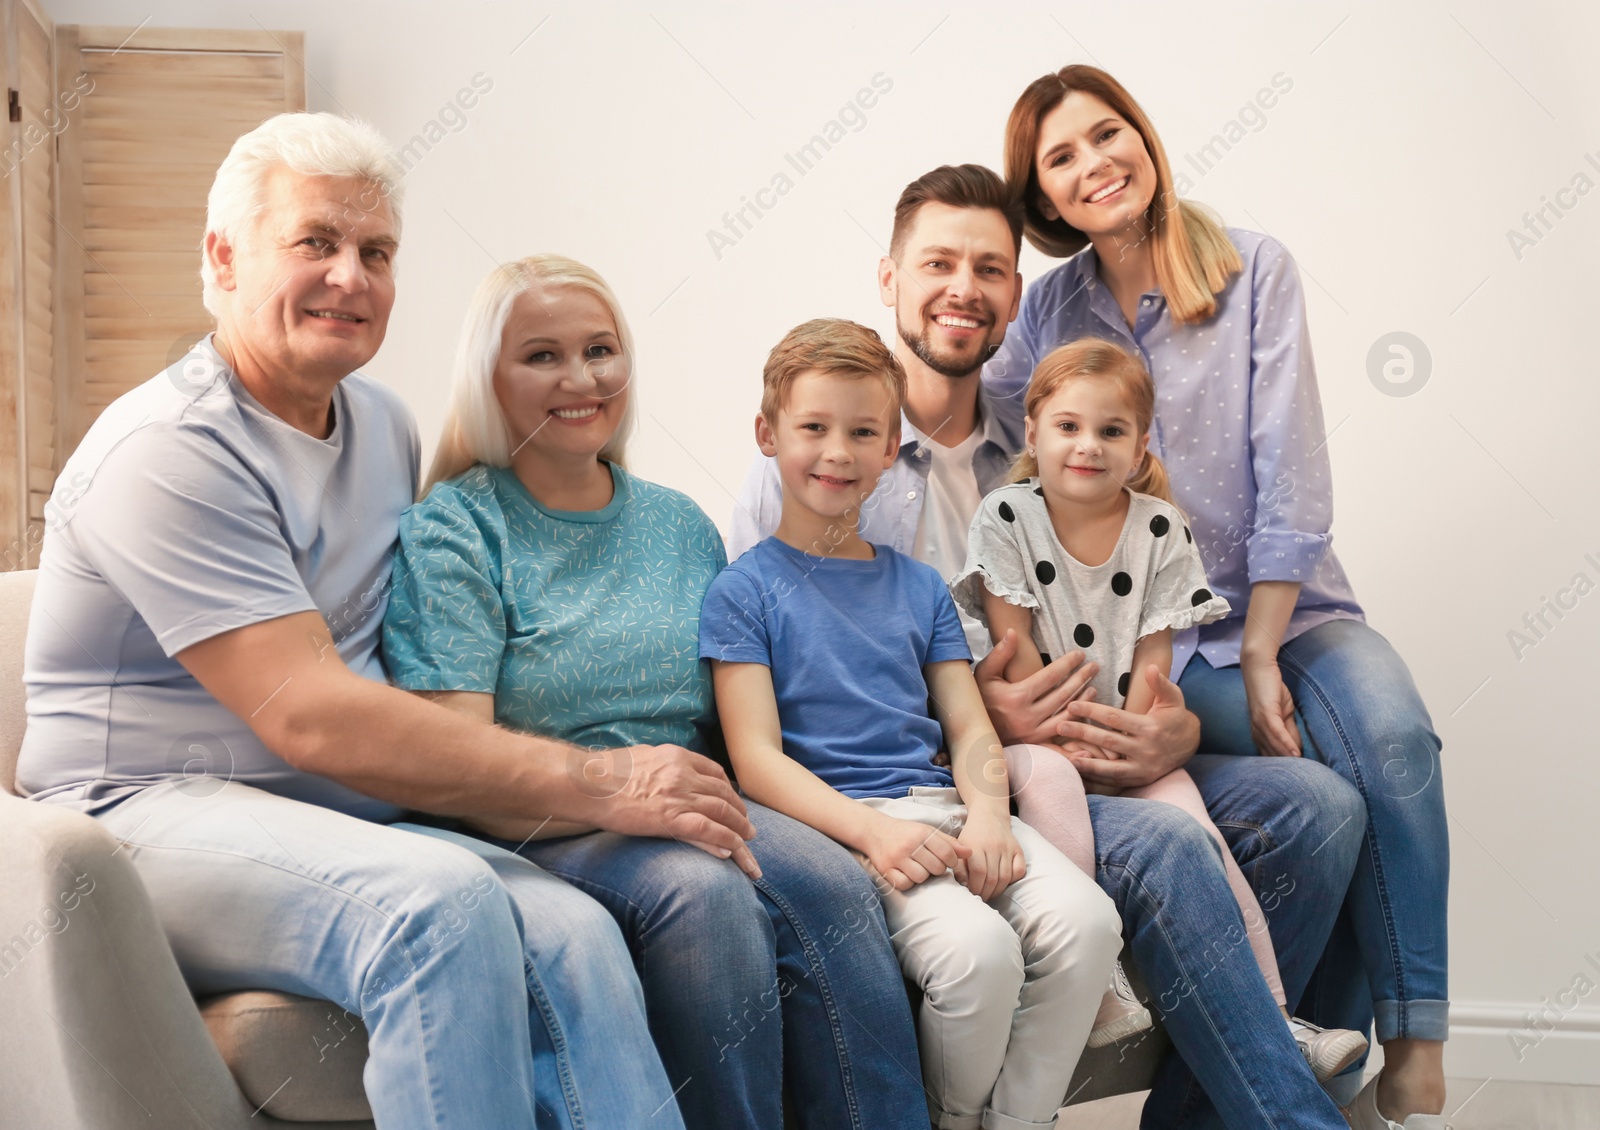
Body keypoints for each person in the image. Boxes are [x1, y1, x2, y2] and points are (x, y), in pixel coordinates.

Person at [13, 112, 751, 1129]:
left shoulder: (380, 423)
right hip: (141, 811)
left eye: (375, 251)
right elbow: (311, 716)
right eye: (313, 242)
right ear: (224, 259)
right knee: (434, 915)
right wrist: (600, 778)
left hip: (348, 815)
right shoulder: (169, 446)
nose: (349, 277)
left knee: (574, 930)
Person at [731, 163, 1369, 1129]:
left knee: (1319, 807)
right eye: (937, 262)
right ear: (889, 277)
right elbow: (792, 665)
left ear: (1015, 296)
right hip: (960, 770)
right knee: (1160, 844)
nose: (963, 288)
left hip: (1092, 746)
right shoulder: (820, 462)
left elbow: (1145, 611)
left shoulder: (1054, 436)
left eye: (989, 268)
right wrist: (987, 727)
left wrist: (1173, 728)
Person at [988, 65, 1449, 1130]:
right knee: (1323, 796)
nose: (1095, 163)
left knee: (1390, 740)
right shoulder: (1048, 313)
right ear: (1044, 202)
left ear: (1143, 140)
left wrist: (1260, 649)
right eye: (1060, 158)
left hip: (1288, 610)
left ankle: (1413, 1035)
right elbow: (978, 409)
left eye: (1109, 135)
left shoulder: (1250, 266)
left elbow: (1290, 466)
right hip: (1158, 641)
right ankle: (1305, 1070)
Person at [380, 255, 930, 1130]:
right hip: (548, 820)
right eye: (542, 356)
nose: (581, 377)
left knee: (833, 881)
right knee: (703, 896)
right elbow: (460, 767)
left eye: (600, 349)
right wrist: (613, 794)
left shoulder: (678, 523)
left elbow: (741, 714)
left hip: (697, 795)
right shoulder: (456, 527)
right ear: (490, 377)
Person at [703, 317, 1124, 1130]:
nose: (838, 452)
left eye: (863, 432)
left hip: (947, 808)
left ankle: (1016, 1121)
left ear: (891, 445)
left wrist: (994, 817)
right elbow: (754, 760)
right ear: (768, 434)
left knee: (1089, 926)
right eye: (813, 428)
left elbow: (969, 728)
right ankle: (954, 1118)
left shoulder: (919, 586)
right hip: (842, 829)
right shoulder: (742, 592)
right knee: (978, 956)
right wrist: (873, 835)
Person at [951, 335, 1369, 1082]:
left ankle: (1276, 1017)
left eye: (1112, 431)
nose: (1089, 446)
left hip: (1120, 736)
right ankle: (1095, 979)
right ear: (1036, 429)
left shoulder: (1157, 528)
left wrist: (1134, 740)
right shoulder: (1006, 517)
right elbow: (1013, 659)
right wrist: (1074, 743)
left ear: (1141, 446)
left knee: (1195, 828)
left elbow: (1153, 657)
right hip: (1035, 737)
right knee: (1046, 783)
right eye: (1069, 427)